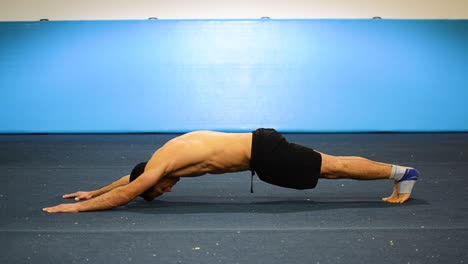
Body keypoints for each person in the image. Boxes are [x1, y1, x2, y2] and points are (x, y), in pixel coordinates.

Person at [42, 128, 419, 213]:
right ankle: (400, 174)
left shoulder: (163, 166)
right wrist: (93, 191)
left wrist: (76, 209)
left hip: (263, 152)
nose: (166, 192)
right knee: (331, 168)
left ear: (155, 180)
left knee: (333, 168)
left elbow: (129, 191)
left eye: (157, 191)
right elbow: (131, 180)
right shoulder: (161, 161)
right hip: (261, 148)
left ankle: (402, 173)